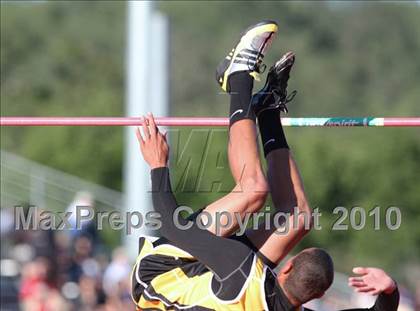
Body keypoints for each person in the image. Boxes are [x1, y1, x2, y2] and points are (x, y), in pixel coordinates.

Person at [131, 21, 400, 311]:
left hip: (157, 278)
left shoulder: (239, 268)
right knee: (298, 219)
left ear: (285, 268)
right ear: (316, 298)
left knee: (254, 191)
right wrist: (390, 293)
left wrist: (158, 165)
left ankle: (237, 78)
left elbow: (172, 224)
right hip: (223, 287)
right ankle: (268, 108)